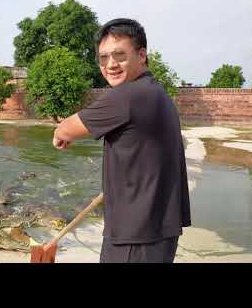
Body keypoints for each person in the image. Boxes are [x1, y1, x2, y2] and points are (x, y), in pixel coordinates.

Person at [53, 18, 191, 263]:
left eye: (119, 55)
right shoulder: (158, 93)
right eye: (103, 58)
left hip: (134, 237)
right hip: (160, 230)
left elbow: (64, 130)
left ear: (142, 55)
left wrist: (63, 136)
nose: (110, 64)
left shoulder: (128, 96)